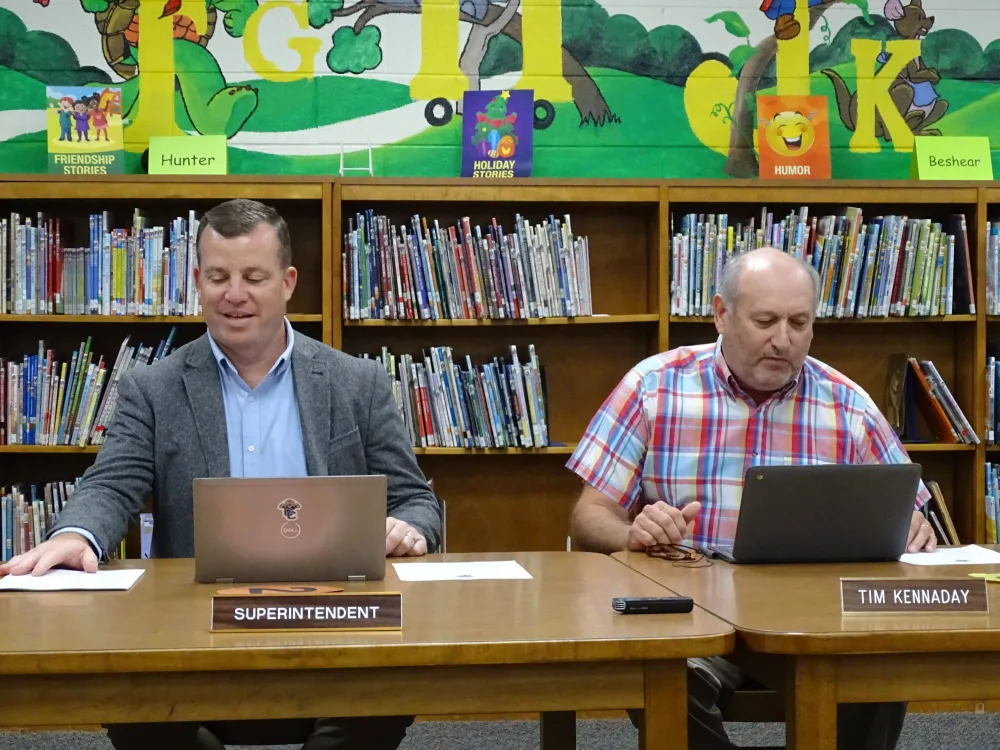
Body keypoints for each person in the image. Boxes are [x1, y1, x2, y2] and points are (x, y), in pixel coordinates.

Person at [0, 198, 442, 750]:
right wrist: (76, 534)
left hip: (336, 621)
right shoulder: (153, 388)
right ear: (197, 283)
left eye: (253, 277)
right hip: (193, 628)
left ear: (287, 283)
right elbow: (111, 483)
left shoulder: (358, 383)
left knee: (384, 694)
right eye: (218, 277)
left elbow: (416, 500)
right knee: (130, 701)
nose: (235, 295)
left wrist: (409, 527)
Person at [566, 246, 934, 750]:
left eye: (799, 323)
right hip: (690, 617)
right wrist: (632, 533)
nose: (782, 339)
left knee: (880, 665)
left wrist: (912, 525)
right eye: (765, 321)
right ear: (721, 314)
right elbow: (589, 516)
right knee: (658, 669)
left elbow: (907, 509)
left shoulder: (847, 404)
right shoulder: (654, 387)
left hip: (815, 620)